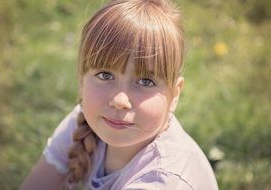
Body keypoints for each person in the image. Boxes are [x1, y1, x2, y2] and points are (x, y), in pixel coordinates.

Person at [20, 0, 218, 189]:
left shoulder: (162, 180)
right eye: (105, 75)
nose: (119, 100)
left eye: (146, 81)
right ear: (81, 81)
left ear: (174, 95)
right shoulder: (84, 124)